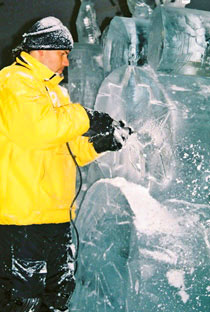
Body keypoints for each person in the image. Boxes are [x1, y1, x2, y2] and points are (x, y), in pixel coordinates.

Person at [0, 16, 131, 312]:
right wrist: (88, 116)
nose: (67, 62)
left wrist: (103, 142)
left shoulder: (57, 93)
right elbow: (38, 131)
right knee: (23, 301)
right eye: (63, 54)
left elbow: (72, 151)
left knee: (58, 295)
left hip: (57, 216)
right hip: (22, 219)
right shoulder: (12, 82)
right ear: (41, 50)